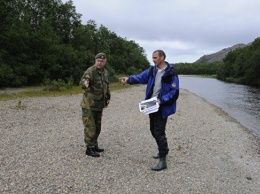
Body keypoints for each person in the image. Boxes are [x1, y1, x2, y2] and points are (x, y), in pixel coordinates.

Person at [119, 50, 179, 171]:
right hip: (151, 105)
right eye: (152, 57)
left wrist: (161, 101)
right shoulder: (153, 70)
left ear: (162, 57)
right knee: (153, 130)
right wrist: (129, 79)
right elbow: (141, 77)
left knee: (159, 131)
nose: (153, 59)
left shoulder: (171, 73)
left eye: (155, 58)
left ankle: (163, 160)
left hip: (163, 106)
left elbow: (175, 92)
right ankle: (163, 150)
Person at [80, 53, 111, 157]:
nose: (100, 63)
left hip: (99, 105)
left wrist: (107, 98)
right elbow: (84, 80)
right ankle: (89, 148)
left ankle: (94, 145)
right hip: (89, 105)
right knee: (90, 127)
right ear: (95, 61)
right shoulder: (90, 71)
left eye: (102, 61)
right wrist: (86, 83)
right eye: (98, 60)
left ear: (105, 62)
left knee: (97, 127)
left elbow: (106, 87)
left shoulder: (105, 72)